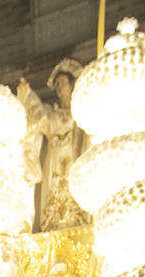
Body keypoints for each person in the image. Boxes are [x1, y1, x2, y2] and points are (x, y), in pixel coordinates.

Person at [17, 58, 89, 232]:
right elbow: (38, 115)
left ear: (72, 86)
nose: (60, 88)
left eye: (63, 83)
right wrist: (27, 95)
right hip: (54, 162)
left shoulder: (81, 112)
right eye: (57, 85)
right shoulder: (52, 114)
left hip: (73, 159)